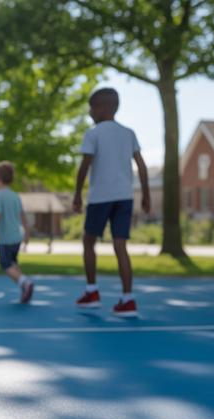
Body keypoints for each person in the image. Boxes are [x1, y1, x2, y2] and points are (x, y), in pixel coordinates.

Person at [73, 88, 150, 318]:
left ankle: (92, 292)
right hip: (125, 196)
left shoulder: (93, 133)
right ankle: (128, 300)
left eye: (92, 108)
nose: (89, 112)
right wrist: (146, 194)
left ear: (103, 108)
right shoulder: (129, 133)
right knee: (120, 247)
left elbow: (85, 165)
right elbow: (141, 165)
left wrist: (77, 194)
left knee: (88, 241)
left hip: (101, 197)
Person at [0, 161, 33, 303]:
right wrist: (27, 235)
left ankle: (25, 282)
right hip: (17, 236)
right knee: (13, 263)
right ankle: (25, 287)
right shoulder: (15, 196)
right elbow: (22, 217)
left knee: (5, 265)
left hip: (5, 237)